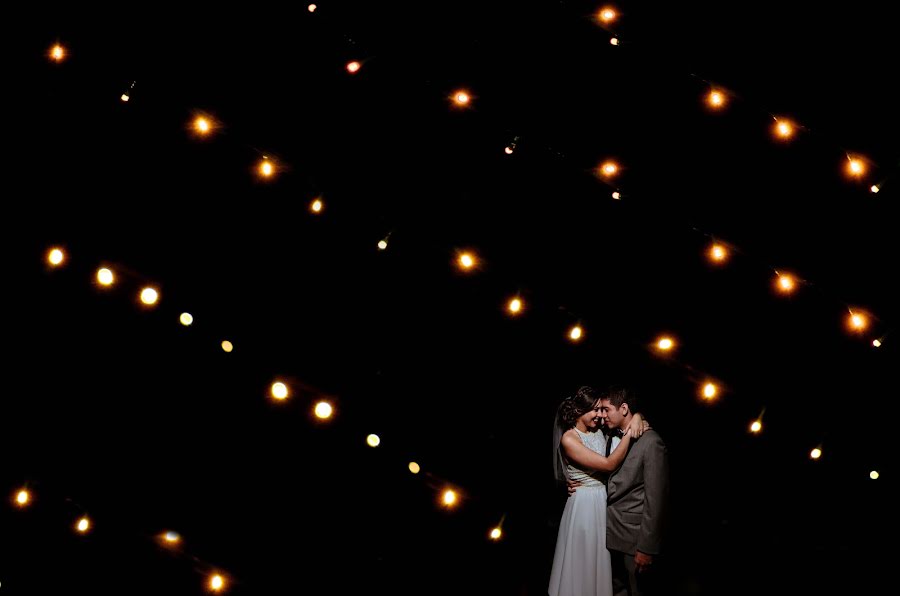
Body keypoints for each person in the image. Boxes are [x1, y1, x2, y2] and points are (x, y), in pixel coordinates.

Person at [549, 386, 645, 596]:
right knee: (583, 559)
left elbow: (624, 415)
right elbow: (609, 464)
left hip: (602, 501)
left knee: (601, 560)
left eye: (602, 409)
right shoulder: (569, 439)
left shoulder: (599, 431)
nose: (601, 415)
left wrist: (637, 416)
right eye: (595, 410)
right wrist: (629, 434)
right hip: (583, 506)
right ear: (578, 412)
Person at [600, 386, 669, 596]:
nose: (602, 416)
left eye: (606, 409)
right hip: (607, 536)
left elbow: (656, 500)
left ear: (623, 408)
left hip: (634, 541)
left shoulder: (652, 442)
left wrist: (646, 547)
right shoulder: (607, 435)